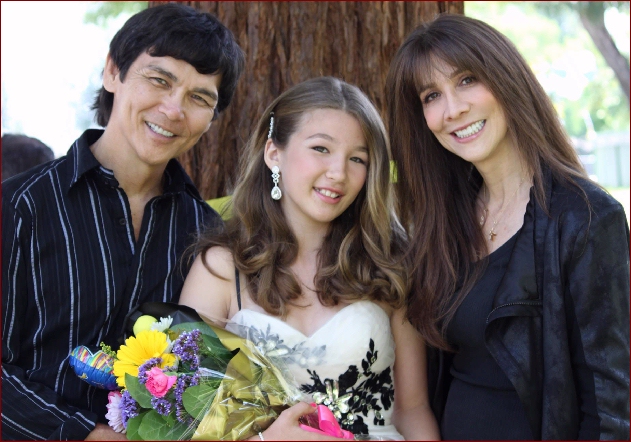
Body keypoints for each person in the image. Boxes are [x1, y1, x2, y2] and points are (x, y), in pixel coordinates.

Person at [2, 4, 244, 440]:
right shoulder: (19, 206)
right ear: (113, 72)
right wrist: (87, 434)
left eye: (199, 98)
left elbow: (207, 385)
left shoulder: (209, 239)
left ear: (212, 119)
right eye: (159, 80)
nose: (173, 109)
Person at [385, 13, 630, 441]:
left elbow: (610, 409)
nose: (453, 110)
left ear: (506, 78)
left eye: (466, 80)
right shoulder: (441, 226)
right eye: (431, 96)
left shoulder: (587, 218)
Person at [179, 76, 440, 440]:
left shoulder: (388, 264)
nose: (338, 173)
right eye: (321, 148)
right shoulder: (221, 268)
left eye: (357, 158)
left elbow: (412, 410)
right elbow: (183, 417)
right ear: (274, 153)